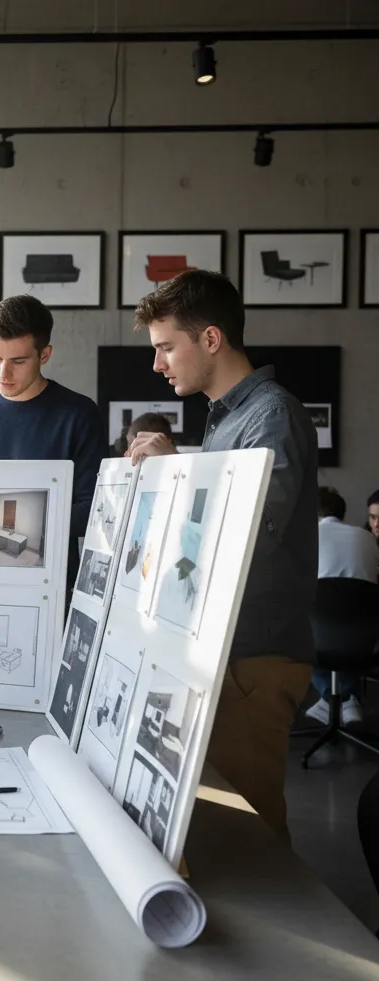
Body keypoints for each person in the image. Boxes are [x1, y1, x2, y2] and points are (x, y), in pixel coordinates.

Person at [128, 269, 318, 841]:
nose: (158, 364)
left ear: (210, 339)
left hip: (253, 660)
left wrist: (174, 478)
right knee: (223, 827)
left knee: (253, 838)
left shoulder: (271, 417)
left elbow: (241, 540)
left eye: (166, 347)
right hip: (224, 656)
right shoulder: (229, 419)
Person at [0, 294, 104, 582]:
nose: (3, 372)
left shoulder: (78, 414)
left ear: (45, 355)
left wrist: (9, 520)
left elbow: (92, 509)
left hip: (49, 584)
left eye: (18, 360)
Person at [305, 486, 379, 726]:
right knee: (343, 626)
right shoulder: (366, 538)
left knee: (303, 627)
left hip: (319, 641)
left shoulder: (307, 537)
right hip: (364, 643)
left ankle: (329, 698)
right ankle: (347, 700)